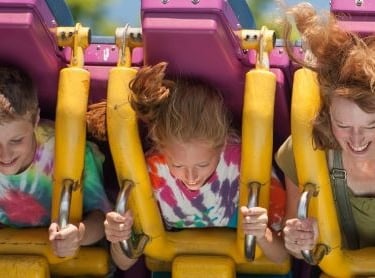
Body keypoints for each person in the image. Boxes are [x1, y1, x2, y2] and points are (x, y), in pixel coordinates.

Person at [87, 62, 289, 272]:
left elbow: (282, 254)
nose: (190, 176)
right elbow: (123, 262)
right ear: (161, 149)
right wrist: (120, 238)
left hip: (250, 270)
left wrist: (261, 233)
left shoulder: (246, 165)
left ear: (222, 146)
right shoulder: (151, 173)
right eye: (177, 164)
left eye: (203, 164)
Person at [276, 2, 375, 260]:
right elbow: (297, 252)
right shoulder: (304, 150)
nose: (356, 140)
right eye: (343, 125)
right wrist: (299, 239)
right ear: (327, 113)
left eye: (371, 127)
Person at [0, 65, 111, 258]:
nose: (5, 155)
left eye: (16, 140)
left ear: (35, 120)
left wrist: (78, 234)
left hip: (73, 261)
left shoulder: (71, 151)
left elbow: (102, 218)